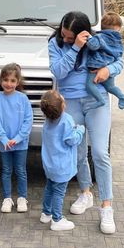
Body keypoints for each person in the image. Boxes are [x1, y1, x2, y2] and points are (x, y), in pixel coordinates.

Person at [48, 11, 124, 234]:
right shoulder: (56, 43)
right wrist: (74, 48)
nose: (66, 38)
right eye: (64, 34)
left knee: (100, 152)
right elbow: (58, 72)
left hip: (96, 99)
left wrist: (108, 69)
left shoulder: (97, 40)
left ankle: (106, 206)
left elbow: (119, 57)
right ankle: (85, 193)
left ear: (84, 31)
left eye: (71, 36)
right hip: (70, 102)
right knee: (78, 152)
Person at [39, 90, 85, 231]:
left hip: (50, 164)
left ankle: (46, 213)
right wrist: (80, 130)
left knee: (49, 188)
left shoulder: (48, 120)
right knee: (59, 192)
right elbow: (72, 140)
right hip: (62, 166)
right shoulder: (66, 119)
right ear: (62, 106)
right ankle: (57, 219)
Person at [0, 63, 33, 213]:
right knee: (6, 170)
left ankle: (22, 197)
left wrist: (18, 138)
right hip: (5, 143)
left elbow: (28, 120)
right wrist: (4, 139)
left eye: (12, 81)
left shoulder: (23, 99)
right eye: (6, 80)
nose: (8, 84)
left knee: (21, 170)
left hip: (20, 143)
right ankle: (7, 198)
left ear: (18, 82)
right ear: (1, 80)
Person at [86, 11, 124, 110]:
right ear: (118, 28)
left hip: (96, 66)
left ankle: (100, 100)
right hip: (110, 66)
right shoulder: (118, 40)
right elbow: (120, 55)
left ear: (102, 26)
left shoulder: (100, 37)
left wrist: (89, 38)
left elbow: (93, 46)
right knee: (110, 88)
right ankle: (122, 96)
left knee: (89, 85)